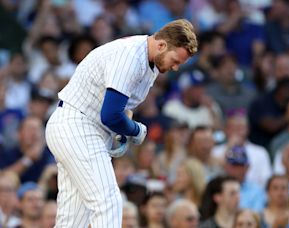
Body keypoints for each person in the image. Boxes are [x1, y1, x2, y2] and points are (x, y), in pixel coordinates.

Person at [45, 19, 198, 227]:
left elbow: (120, 109)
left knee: (73, 220)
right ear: (162, 45)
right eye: (176, 60)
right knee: (108, 202)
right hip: (77, 124)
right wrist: (136, 130)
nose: (176, 67)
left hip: (82, 127)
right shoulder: (131, 56)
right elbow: (111, 115)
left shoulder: (149, 59)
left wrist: (121, 132)